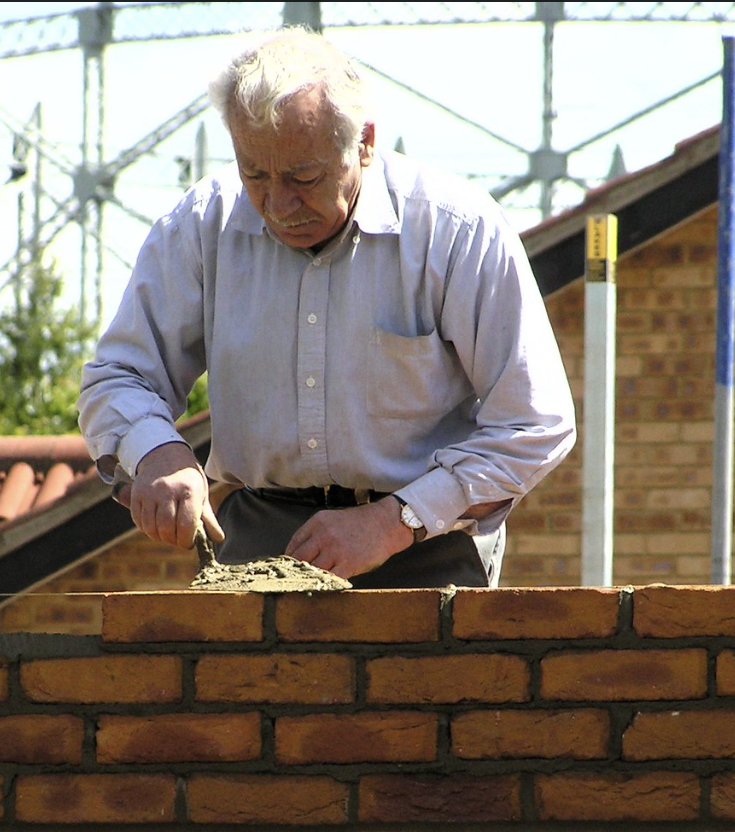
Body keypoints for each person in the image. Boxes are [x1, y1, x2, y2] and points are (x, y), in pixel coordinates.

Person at [77, 27, 575, 588]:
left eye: (303, 176)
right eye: (254, 174)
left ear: (363, 141)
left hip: (425, 547)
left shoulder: (455, 230)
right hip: (257, 537)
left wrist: (395, 520)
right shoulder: (203, 223)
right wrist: (157, 452)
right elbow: (117, 376)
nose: (277, 203)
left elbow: (535, 424)